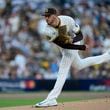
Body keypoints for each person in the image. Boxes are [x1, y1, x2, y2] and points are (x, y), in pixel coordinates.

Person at [34, 8, 110, 107]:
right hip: (65, 46)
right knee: (79, 65)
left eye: (48, 16)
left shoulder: (67, 19)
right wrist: (80, 47)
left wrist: (73, 41)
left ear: (54, 15)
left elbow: (80, 35)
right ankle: (107, 56)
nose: (46, 18)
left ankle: (51, 99)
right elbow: (64, 45)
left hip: (74, 42)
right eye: (45, 16)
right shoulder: (47, 30)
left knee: (63, 69)